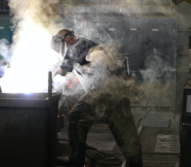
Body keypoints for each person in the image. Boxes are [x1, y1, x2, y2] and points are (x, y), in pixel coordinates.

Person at [54, 29, 143, 167]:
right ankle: (135, 164)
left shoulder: (77, 44)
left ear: (64, 40)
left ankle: (75, 162)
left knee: (76, 118)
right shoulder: (88, 49)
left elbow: (63, 69)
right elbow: (85, 71)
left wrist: (54, 76)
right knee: (124, 131)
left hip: (104, 90)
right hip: (116, 90)